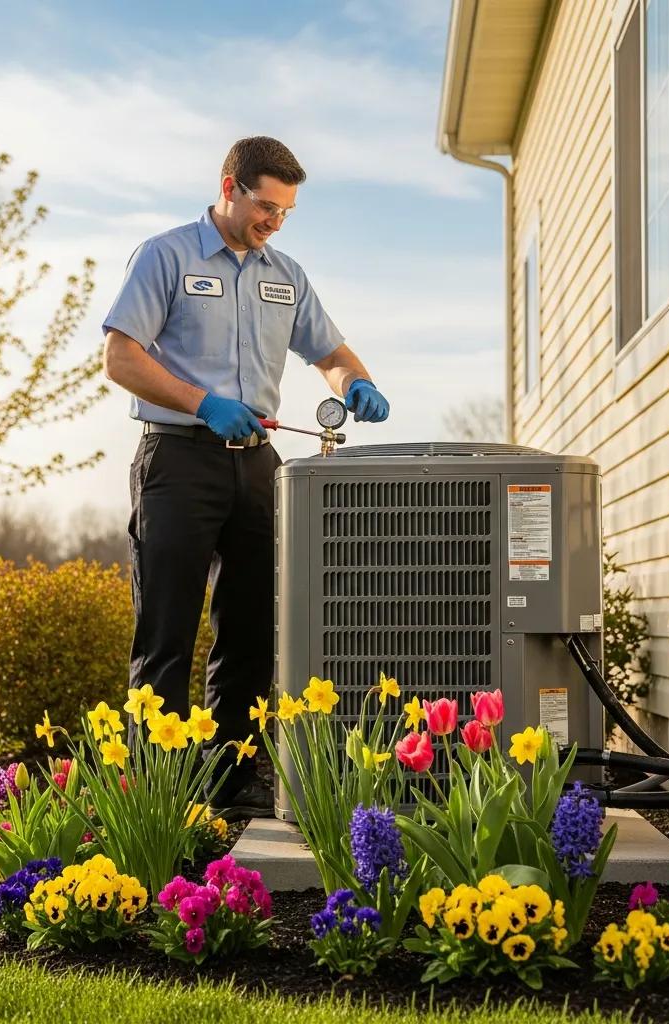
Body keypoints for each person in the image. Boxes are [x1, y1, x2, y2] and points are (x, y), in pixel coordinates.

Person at [101, 136, 389, 820]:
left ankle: (229, 779)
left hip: (258, 466)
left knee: (253, 628)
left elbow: (331, 352)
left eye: (286, 212)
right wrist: (204, 404)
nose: (274, 223)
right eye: (266, 206)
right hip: (177, 460)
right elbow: (121, 357)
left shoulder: (284, 274)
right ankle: (159, 790)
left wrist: (358, 381)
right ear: (229, 186)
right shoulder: (165, 255)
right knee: (167, 629)